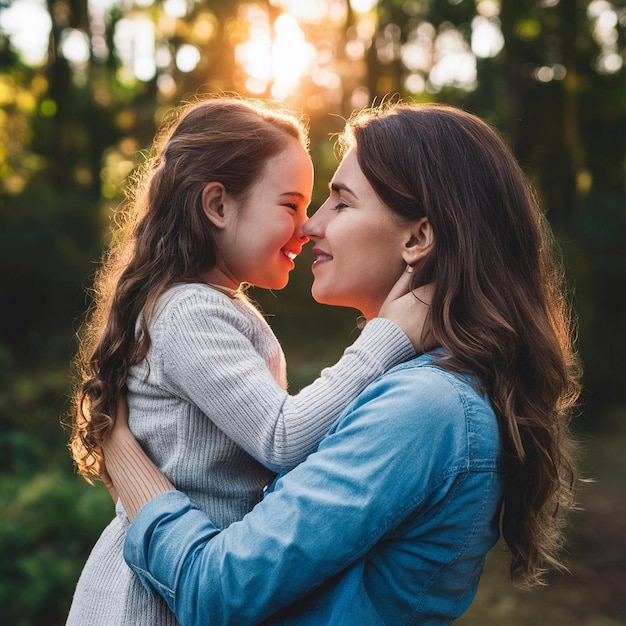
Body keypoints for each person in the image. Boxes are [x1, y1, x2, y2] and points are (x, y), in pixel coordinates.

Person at [101, 102, 582, 625]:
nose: (309, 226)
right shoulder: (415, 391)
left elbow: (219, 588)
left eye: (340, 204)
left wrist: (122, 453)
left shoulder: (426, 407)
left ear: (418, 238)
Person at [65, 96, 429, 625]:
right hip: (148, 598)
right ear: (217, 205)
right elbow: (281, 438)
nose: (306, 228)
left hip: (182, 570)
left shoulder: (214, 306)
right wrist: (387, 337)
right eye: (290, 205)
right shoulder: (190, 312)